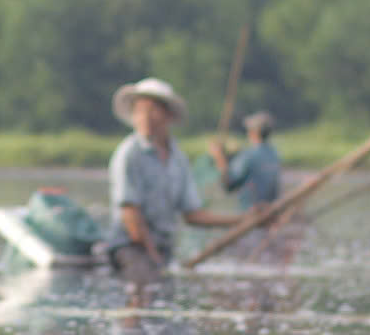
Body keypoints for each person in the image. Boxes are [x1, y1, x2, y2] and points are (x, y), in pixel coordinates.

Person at [101, 77, 244, 280]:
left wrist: (243, 220)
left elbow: (193, 215)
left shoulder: (178, 159)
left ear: (168, 115)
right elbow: (131, 217)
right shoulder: (129, 154)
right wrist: (154, 258)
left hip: (162, 249)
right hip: (131, 247)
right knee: (146, 288)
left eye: (153, 110)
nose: (146, 117)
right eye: (140, 110)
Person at [209, 112, 282, 211]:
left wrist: (219, 158)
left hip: (252, 213)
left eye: (248, 130)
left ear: (254, 132)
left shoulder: (248, 155)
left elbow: (229, 184)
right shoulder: (275, 154)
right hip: (271, 211)